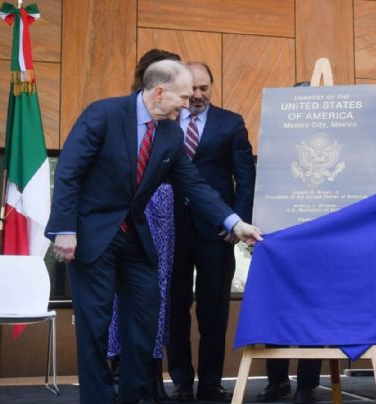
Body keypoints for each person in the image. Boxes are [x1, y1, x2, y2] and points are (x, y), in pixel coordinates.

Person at [46, 60, 262, 404]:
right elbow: (69, 173)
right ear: (159, 92)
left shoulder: (170, 133)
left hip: (135, 237)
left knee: (145, 320)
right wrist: (64, 229)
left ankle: (133, 395)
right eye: (183, 96)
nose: (188, 103)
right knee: (95, 326)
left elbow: (195, 184)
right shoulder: (102, 115)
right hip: (91, 235)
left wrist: (234, 222)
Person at [166, 61, 256, 403]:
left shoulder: (231, 123)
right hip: (171, 229)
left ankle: (211, 383)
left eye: (205, 88)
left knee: (213, 310)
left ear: (212, 87)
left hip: (217, 233)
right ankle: (181, 381)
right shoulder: (168, 120)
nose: (199, 95)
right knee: (175, 308)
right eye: (194, 89)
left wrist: (237, 221)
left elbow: (244, 177)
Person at [107, 48, 181, 404]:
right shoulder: (124, 111)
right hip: (125, 209)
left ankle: (152, 375)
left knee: (158, 290)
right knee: (124, 292)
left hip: (162, 208)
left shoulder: (172, 117)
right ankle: (121, 370)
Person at [255, 80, 323, 404]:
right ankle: (277, 381)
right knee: (276, 308)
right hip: (280, 239)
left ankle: (307, 384)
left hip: (322, 241)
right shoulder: (275, 145)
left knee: (314, 310)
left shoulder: (335, 144)